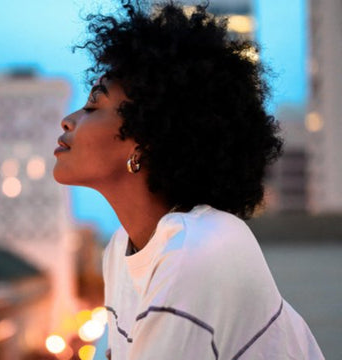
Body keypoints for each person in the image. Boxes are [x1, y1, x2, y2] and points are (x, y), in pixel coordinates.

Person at [53, 1, 324, 359]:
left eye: (92, 106)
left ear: (145, 139)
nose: (68, 120)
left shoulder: (198, 250)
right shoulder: (120, 251)